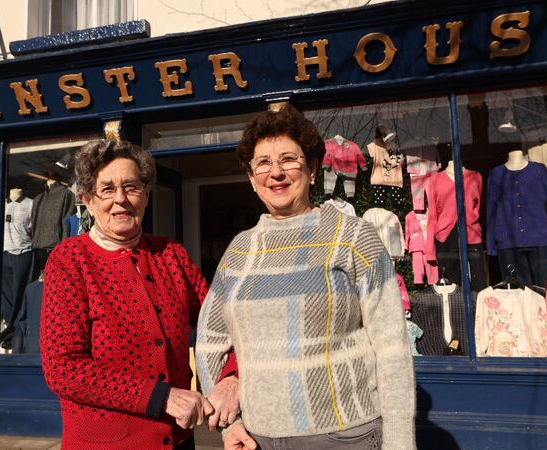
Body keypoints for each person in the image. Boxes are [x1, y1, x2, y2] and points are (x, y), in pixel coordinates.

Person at [195, 105, 416, 450]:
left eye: (289, 160)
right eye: (263, 163)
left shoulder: (355, 237)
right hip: (258, 440)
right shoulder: (240, 251)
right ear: (252, 179)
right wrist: (229, 425)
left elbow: (392, 351)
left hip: (344, 437)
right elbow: (210, 341)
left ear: (312, 169)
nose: (276, 173)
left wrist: (401, 444)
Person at [40, 139, 239, 450]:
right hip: (107, 443)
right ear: (88, 201)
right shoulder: (69, 260)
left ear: (146, 195)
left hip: (177, 439)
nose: (120, 199)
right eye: (107, 189)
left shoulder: (171, 253)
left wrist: (231, 378)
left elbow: (224, 324)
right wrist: (163, 397)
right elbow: (63, 369)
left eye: (131, 187)